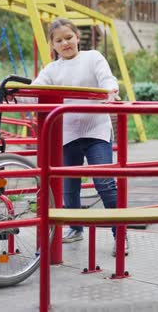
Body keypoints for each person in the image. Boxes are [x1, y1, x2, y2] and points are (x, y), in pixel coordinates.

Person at [32, 18, 127, 256]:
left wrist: (110, 91)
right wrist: (13, 94)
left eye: (68, 37)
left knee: (104, 182)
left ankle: (120, 234)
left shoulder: (93, 57)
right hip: (68, 133)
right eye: (59, 40)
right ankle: (75, 228)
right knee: (68, 186)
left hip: (96, 129)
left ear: (77, 37)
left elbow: (106, 78)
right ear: (52, 45)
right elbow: (36, 90)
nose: (65, 43)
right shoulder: (52, 69)